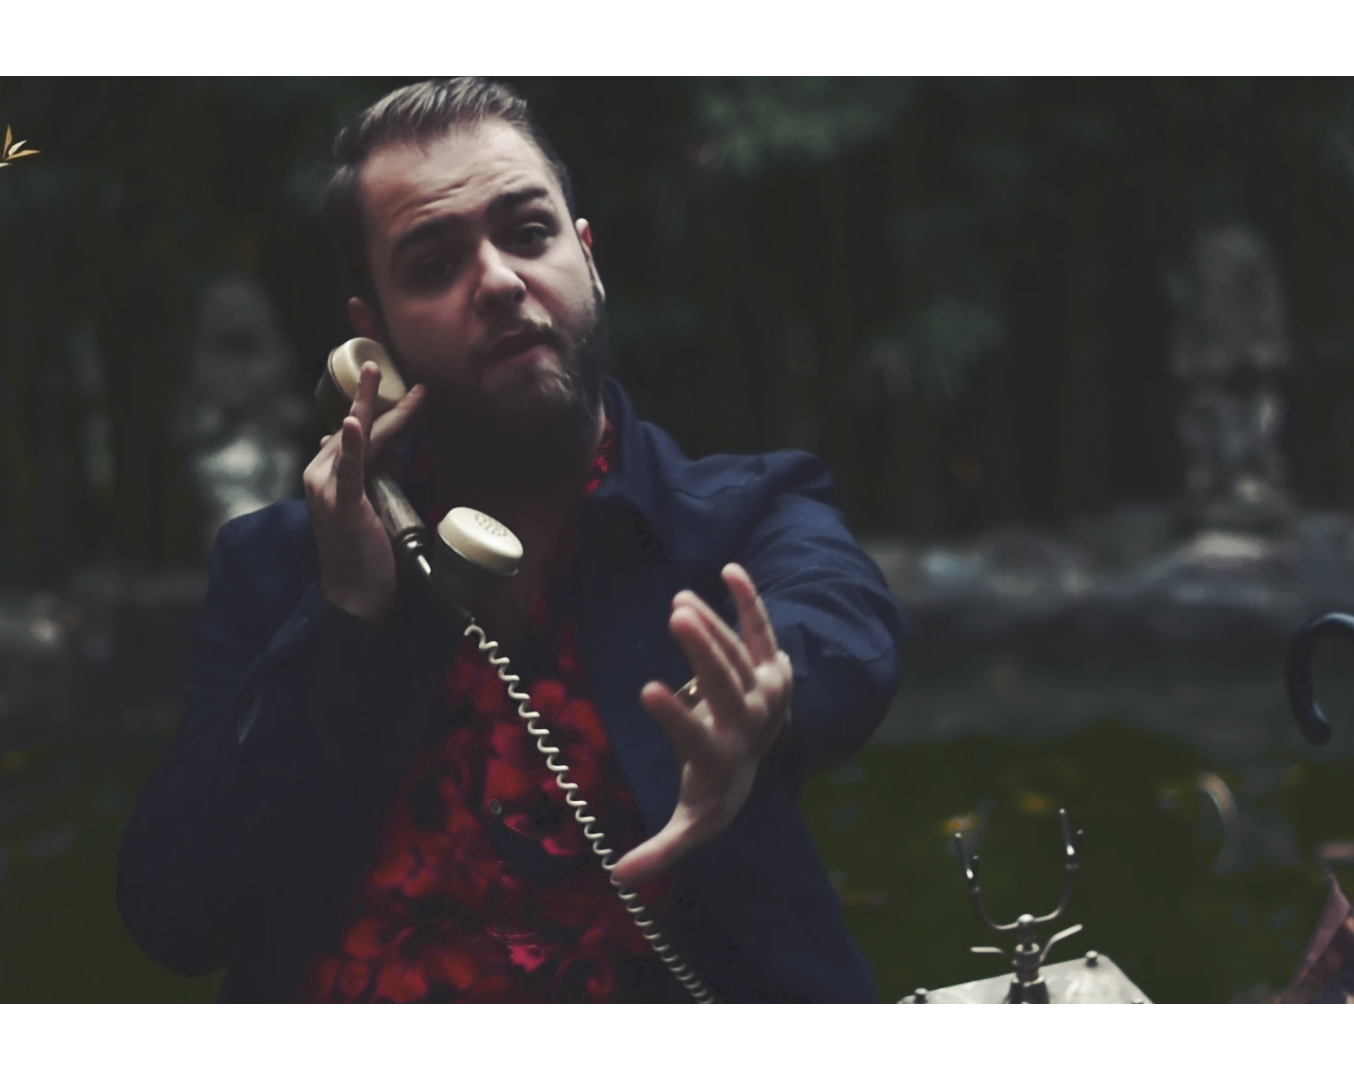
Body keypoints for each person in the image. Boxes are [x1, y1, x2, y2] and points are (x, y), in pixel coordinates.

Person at [117, 77, 903, 1003]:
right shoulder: (279, 569)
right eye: (433, 265)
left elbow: (840, 613)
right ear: (372, 340)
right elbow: (175, 912)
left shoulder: (745, 510)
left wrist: (761, 703)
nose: (496, 281)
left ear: (587, 257)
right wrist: (342, 624)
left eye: (528, 233)